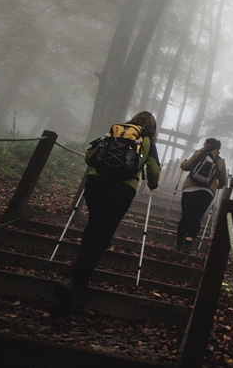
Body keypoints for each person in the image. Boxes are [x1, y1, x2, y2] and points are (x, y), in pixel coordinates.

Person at [55, 111, 160, 315]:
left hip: (96, 183)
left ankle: (76, 275)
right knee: (103, 234)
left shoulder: (116, 130)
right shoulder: (147, 140)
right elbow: (154, 169)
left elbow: (89, 156)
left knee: (93, 226)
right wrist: (153, 185)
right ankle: (76, 279)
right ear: (152, 128)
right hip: (122, 190)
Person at [175, 137, 227, 252]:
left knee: (186, 215)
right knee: (197, 216)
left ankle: (179, 242)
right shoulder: (220, 161)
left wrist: (183, 162)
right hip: (207, 192)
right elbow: (223, 181)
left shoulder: (199, 154)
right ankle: (188, 242)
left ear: (207, 144)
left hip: (190, 188)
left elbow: (186, 166)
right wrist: (215, 186)